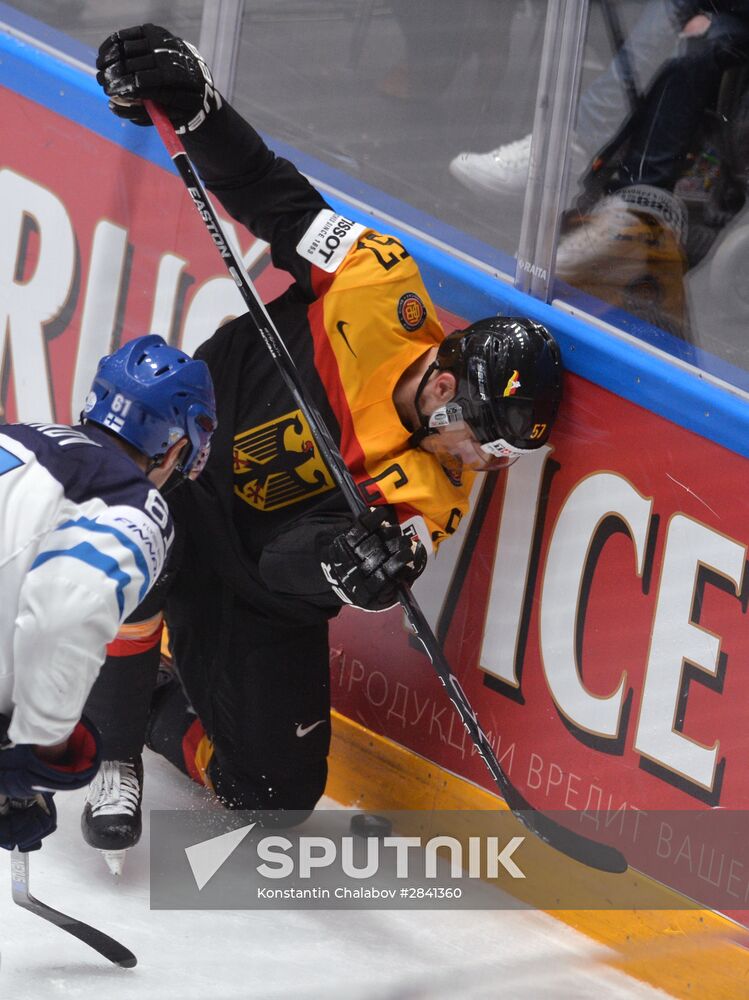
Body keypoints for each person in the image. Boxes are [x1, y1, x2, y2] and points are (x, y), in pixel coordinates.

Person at [85, 24, 564, 857]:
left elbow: (282, 567)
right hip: (181, 470)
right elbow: (274, 198)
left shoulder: (435, 494)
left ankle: (151, 699)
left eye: (510, 457)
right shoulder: (376, 284)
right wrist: (196, 111)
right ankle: (110, 748)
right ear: (445, 385)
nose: (490, 464)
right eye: (490, 441)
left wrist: (349, 564)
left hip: (255, 584)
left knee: (273, 798)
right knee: (136, 522)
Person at [0, 333, 216, 855]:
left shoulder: (17, 434)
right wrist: (39, 756)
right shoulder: (134, 507)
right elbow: (61, 618)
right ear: (177, 444)